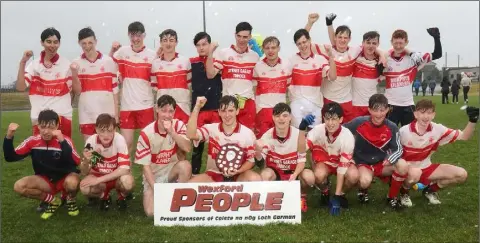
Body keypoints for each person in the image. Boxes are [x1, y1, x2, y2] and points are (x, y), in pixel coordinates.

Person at [305, 13, 386, 123]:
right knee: (330, 130)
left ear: (349, 39)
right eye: (340, 37)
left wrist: (381, 54)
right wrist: (310, 23)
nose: (342, 40)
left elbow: (371, 46)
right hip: (329, 98)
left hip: (347, 101)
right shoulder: (327, 50)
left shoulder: (354, 51)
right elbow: (303, 42)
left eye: (345, 38)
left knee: (348, 132)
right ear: (335, 37)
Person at [398, 99, 477, 207]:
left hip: (427, 167)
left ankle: (430, 190)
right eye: (422, 112)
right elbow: (393, 153)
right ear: (415, 114)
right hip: (409, 170)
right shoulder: (404, 131)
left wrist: (472, 120)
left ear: (433, 115)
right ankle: (404, 192)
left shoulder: (438, 129)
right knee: (414, 173)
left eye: (429, 113)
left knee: (461, 175)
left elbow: (464, 137)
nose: (426, 116)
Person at [3, 109, 81, 219]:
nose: (46, 131)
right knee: (19, 187)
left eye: (51, 127)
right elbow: (10, 157)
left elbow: (75, 162)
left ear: (57, 126)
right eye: (43, 127)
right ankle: (53, 201)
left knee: (73, 183)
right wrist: (9, 136)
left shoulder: (65, 140)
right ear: (38, 126)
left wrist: (62, 141)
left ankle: (70, 199)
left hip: (65, 179)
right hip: (45, 181)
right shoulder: (32, 141)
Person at [344, 94, 409, 210]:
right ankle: (363, 190)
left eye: (382, 110)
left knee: (403, 165)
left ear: (387, 110)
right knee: (364, 181)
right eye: (375, 110)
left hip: (383, 163)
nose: (379, 114)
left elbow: (399, 149)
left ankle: (392, 197)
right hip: (364, 163)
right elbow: (341, 131)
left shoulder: (392, 127)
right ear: (369, 109)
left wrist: (390, 159)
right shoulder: (359, 122)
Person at [134, 95, 192, 217]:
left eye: (170, 111)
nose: (167, 115)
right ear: (157, 109)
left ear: (174, 112)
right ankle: (165, 194)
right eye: (163, 111)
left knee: (185, 166)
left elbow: (187, 147)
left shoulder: (178, 125)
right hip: (154, 177)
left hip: (171, 172)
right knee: (151, 213)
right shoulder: (146, 133)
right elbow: (145, 167)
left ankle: (179, 198)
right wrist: (156, 188)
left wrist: (172, 132)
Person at [298, 102, 358, 216]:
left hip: (341, 162)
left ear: (341, 119)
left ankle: (342, 195)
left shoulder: (348, 137)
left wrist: (337, 195)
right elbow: (301, 150)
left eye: (334, 119)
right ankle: (325, 191)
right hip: (324, 161)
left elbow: (342, 169)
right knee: (319, 175)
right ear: (323, 119)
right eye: (327, 119)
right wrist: (302, 129)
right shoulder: (317, 130)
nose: (330, 123)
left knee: (354, 176)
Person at [187, 95, 261, 183]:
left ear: (237, 111)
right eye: (223, 111)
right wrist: (197, 107)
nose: (227, 115)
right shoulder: (211, 129)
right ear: (218, 112)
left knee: (255, 178)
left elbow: (251, 161)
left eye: (231, 111)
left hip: (239, 174)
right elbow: (191, 135)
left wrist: (238, 171)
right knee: (191, 184)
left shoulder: (247, 133)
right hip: (215, 173)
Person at [16, 27, 73, 138]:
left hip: (62, 117)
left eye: (56, 42)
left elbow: (73, 91)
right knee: (40, 153)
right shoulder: (34, 65)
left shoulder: (66, 64)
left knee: (64, 153)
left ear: (59, 44)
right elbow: (20, 87)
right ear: (42, 43)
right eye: (49, 42)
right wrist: (23, 62)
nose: (52, 45)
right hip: (39, 118)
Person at [380, 27, 442, 127]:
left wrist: (436, 38)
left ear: (406, 42)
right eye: (396, 43)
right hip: (390, 105)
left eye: (401, 43)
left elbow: (437, 54)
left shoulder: (414, 58)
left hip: (408, 105)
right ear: (391, 42)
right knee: (388, 137)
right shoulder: (385, 58)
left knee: (410, 137)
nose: (398, 46)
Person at [109, 21, 156, 152]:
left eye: (139, 35)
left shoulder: (152, 55)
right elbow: (108, 64)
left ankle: (147, 173)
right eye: (132, 35)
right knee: (126, 145)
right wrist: (112, 50)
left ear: (144, 35)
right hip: (127, 106)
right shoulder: (122, 51)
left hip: (145, 105)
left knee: (147, 145)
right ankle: (125, 172)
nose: (135, 39)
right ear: (129, 35)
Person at [205, 22, 260, 130]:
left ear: (250, 37)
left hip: (248, 103)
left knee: (247, 138)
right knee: (228, 136)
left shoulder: (254, 56)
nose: (241, 40)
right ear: (235, 35)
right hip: (228, 103)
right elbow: (210, 74)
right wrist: (210, 53)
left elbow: (256, 83)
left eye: (245, 37)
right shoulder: (224, 53)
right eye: (239, 36)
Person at [255, 103, 308, 212]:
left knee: (309, 177)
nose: (281, 119)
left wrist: (295, 174)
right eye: (277, 116)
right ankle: (271, 198)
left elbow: (302, 160)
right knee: (265, 174)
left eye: (284, 115)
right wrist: (258, 152)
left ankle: (302, 196)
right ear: (273, 118)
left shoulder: (299, 134)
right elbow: (260, 164)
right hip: (276, 172)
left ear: (290, 118)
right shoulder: (267, 136)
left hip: (294, 172)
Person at [71, 27, 119, 141]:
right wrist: (74, 74)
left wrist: (116, 115)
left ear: (96, 41)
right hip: (86, 115)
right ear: (79, 43)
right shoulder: (76, 63)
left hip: (108, 114)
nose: (87, 46)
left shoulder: (109, 61)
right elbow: (77, 92)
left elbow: (115, 91)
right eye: (84, 43)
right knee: (91, 151)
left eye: (90, 42)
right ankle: (94, 160)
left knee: (108, 150)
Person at [79, 114, 134, 211]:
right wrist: (86, 161)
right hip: (99, 178)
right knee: (84, 187)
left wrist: (98, 180)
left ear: (114, 130)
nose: (106, 135)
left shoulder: (119, 139)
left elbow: (124, 169)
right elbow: (84, 172)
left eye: (109, 130)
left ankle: (121, 196)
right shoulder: (91, 142)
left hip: (116, 178)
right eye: (102, 130)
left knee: (128, 182)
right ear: (96, 129)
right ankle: (104, 196)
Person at [189, 32, 222, 176]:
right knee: (197, 146)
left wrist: (211, 53)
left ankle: (221, 174)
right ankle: (194, 175)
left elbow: (210, 73)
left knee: (218, 145)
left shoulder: (218, 59)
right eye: (198, 45)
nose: (201, 48)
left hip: (215, 108)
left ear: (210, 44)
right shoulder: (192, 61)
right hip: (199, 109)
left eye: (204, 44)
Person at [288, 28, 336, 128]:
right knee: (297, 135)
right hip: (297, 104)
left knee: (315, 137)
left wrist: (331, 57)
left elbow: (333, 77)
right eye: (299, 43)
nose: (302, 45)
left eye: (304, 42)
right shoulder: (291, 60)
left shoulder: (320, 59)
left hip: (315, 105)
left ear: (309, 40)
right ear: (296, 45)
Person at [252, 36, 292, 138]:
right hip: (263, 110)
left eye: (273, 47)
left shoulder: (287, 65)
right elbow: (254, 88)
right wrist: (257, 108)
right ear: (263, 49)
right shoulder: (257, 66)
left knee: (280, 141)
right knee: (262, 142)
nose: (270, 51)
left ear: (279, 48)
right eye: (267, 48)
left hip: (280, 111)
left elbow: (289, 88)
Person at [152, 29, 192, 124]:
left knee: (182, 137)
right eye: (165, 40)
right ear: (161, 43)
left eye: (171, 40)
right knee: (164, 137)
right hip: (163, 109)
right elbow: (154, 88)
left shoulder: (185, 61)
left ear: (176, 42)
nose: (168, 43)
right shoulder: (155, 64)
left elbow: (189, 85)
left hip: (182, 107)